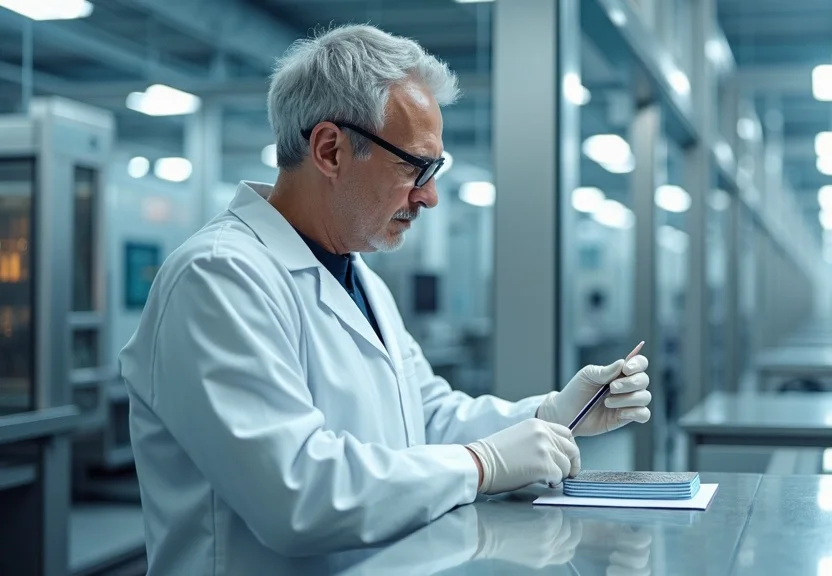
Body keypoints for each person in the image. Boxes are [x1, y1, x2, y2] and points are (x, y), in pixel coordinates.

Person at [119, 24, 651, 575]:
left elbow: (424, 416)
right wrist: (481, 464)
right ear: (330, 150)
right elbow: (297, 494)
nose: (430, 195)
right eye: (414, 167)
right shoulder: (218, 276)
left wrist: (553, 414)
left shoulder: (358, 275)